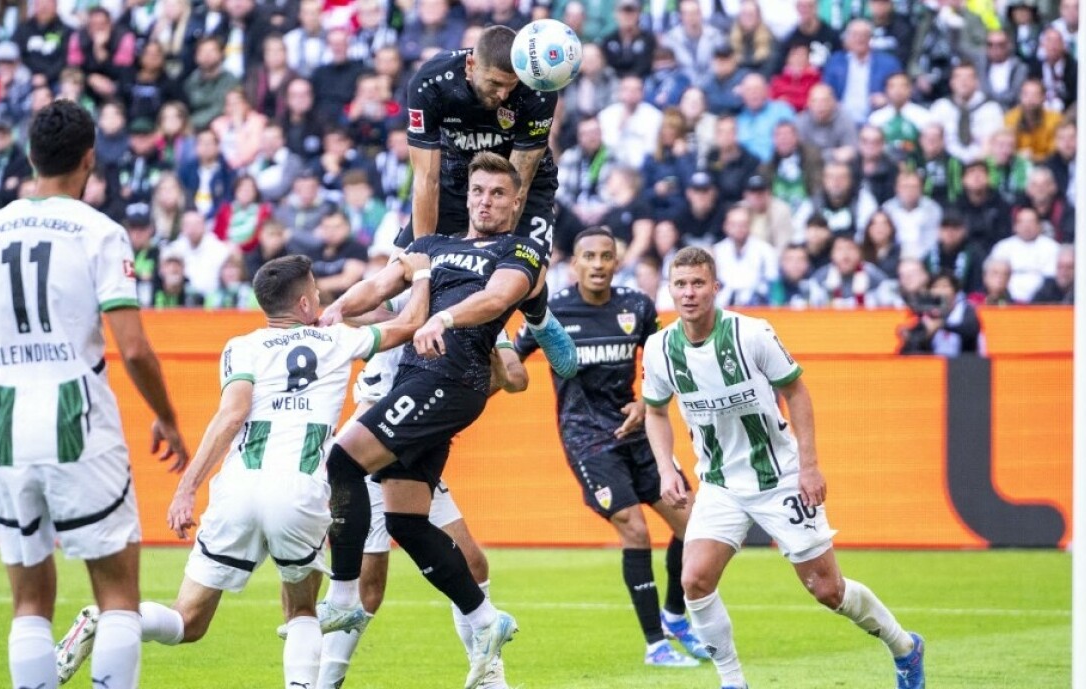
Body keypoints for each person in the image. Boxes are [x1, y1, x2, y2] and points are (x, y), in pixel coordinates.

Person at [54, 254, 433, 687]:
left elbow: (231, 415)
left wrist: (186, 488)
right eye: (315, 291)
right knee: (302, 611)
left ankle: (110, 620)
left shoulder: (241, 346)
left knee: (188, 620)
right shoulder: (338, 339)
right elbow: (413, 323)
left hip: (238, 489)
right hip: (298, 490)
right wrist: (421, 272)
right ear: (305, 303)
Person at [0, 98, 189, 689]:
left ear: (31, 157)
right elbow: (134, 349)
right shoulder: (100, 232)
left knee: (29, 603)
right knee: (117, 596)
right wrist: (167, 418)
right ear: (89, 159)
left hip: (3, 426)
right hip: (76, 418)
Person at [640, 246, 925, 689]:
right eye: (680, 284)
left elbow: (796, 392)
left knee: (827, 590)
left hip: (779, 479)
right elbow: (655, 412)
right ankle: (733, 681)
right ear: (670, 290)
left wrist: (809, 466)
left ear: (715, 287)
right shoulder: (660, 348)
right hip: (719, 483)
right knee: (694, 580)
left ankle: (904, 647)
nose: (689, 293)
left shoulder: (751, 333)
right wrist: (666, 469)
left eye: (698, 283)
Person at [317, 152, 546, 689]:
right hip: (417, 381)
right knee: (405, 521)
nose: (485, 201)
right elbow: (379, 286)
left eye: (498, 193)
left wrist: (441, 316)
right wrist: (335, 309)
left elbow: (497, 297)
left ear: (516, 201)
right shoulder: (432, 245)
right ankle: (486, 621)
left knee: (343, 461)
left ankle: (343, 599)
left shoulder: (521, 251)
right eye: (478, 190)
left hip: (451, 378)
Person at [515, 227, 708, 667]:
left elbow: (662, 362)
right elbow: (513, 355)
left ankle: (675, 616)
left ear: (617, 263)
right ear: (575, 264)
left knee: (694, 524)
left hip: (637, 433)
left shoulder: (636, 306)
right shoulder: (552, 311)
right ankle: (656, 645)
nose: (598, 264)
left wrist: (646, 403)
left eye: (606, 256)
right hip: (587, 441)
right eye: (589, 257)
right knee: (635, 529)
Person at [311, 323, 528, 689]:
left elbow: (516, 377)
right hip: (374, 445)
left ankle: (490, 680)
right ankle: (322, 682)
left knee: (473, 562)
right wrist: (341, 309)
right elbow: (376, 311)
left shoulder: (484, 310)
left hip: (416, 443)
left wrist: (484, 381)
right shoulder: (414, 307)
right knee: (368, 589)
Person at [395, 25, 578, 379]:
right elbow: (426, 180)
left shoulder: (537, 90)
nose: (504, 93)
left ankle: (538, 317)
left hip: (522, 183)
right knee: (399, 271)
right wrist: (423, 259)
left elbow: (517, 184)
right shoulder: (431, 83)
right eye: (495, 83)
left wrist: (496, 257)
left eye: (510, 85)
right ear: (471, 65)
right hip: (457, 180)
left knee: (526, 274)